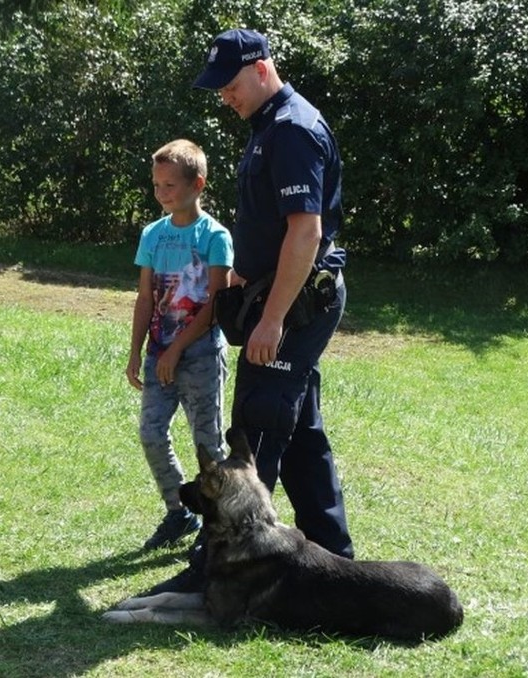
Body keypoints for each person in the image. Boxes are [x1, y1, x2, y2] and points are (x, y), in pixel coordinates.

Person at [149, 29, 353, 593]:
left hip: (295, 303)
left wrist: (273, 318)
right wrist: (246, 271)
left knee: (258, 425)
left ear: (262, 68)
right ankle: (334, 561)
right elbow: (273, 223)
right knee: (300, 428)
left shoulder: (291, 129)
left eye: (230, 84)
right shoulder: (270, 125)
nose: (224, 97)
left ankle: (210, 569)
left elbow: (306, 231)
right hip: (274, 292)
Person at [126, 139, 234, 550]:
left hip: (201, 355)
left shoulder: (215, 237)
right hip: (158, 354)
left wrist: (176, 350)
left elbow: (215, 305)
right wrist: (138, 351)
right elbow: (145, 298)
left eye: (170, 185)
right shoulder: (152, 235)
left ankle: (219, 524)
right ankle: (179, 512)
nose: (161, 193)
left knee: (207, 442)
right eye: (156, 185)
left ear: (197, 184)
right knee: (152, 433)